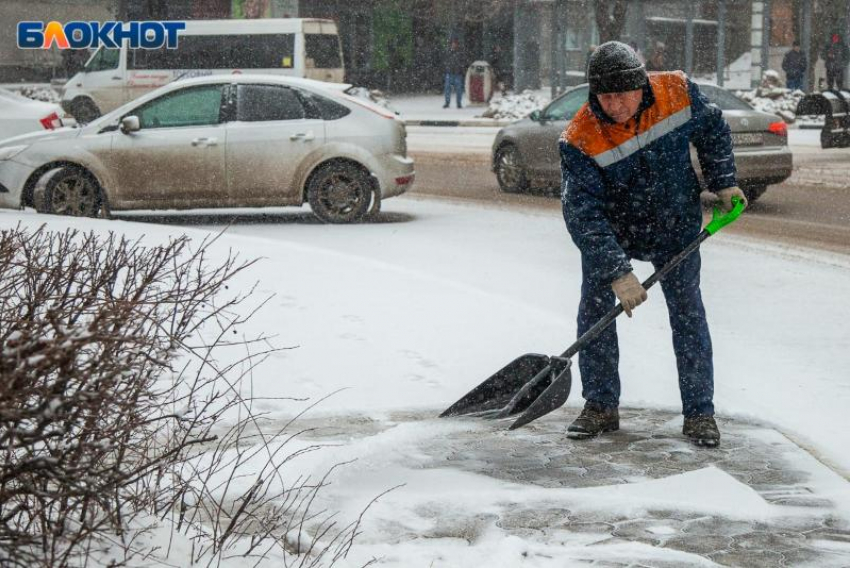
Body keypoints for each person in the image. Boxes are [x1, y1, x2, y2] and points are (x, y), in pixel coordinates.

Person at [558, 41, 747, 448]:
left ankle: (699, 413)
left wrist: (723, 182)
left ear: (640, 86)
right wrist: (617, 272)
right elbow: (582, 214)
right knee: (594, 310)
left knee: (687, 313)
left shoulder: (675, 92)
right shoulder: (579, 138)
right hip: (615, 232)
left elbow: (713, 128)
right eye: (605, 97)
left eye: (622, 95)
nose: (614, 106)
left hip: (675, 225)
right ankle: (600, 406)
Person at [443, 39, 465, 109]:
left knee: (458, 89)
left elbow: (463, 62)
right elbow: (445, 61)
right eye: (453, 43)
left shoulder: (460, 53)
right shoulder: (448, 52)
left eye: (455, 43)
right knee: (447, 89)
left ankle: (458, 103)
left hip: (457, 73)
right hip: (450, 72)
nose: (454, 45)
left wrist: (461, 69)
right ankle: (447, 102)